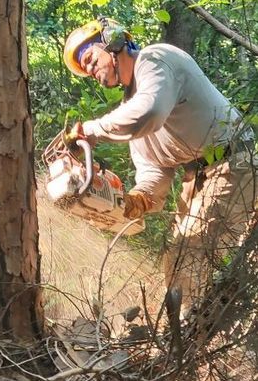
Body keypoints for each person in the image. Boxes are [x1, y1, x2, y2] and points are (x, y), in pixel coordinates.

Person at [63, 17, 257, 313]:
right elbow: (154, 172)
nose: (89, 69)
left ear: (112, 41)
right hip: (200, 177)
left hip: (234, 162)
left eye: (89, 58)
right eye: (84, 69)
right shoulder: (132, 104)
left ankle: (185, 342)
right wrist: (133, 202)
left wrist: (93, 128)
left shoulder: (156, 59)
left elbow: (149, 112)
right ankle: (187, 335)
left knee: (189, 254)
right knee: (176, 257)